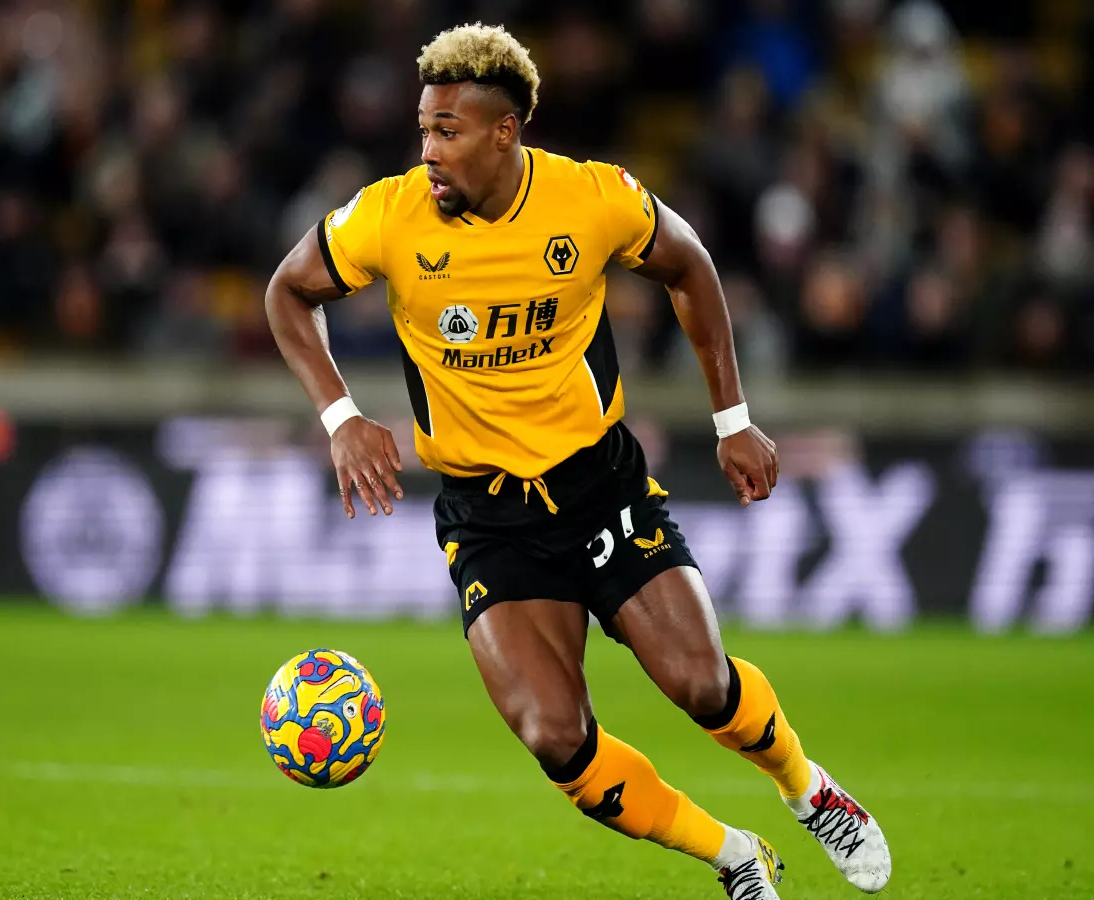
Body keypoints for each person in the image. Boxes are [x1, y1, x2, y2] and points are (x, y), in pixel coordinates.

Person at [265, 23, 891, 899]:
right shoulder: (389, 215)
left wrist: (733, 419)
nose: (427, 150)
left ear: (503, 132)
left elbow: (691, 266)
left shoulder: (589, 200)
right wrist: (340, 416)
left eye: (446, 131)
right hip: (488, 512)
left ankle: (807, 788)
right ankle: (733, 857)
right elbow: (287, 291)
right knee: (553, 733)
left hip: (600, 486)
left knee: (701, 685)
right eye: (422, 128)